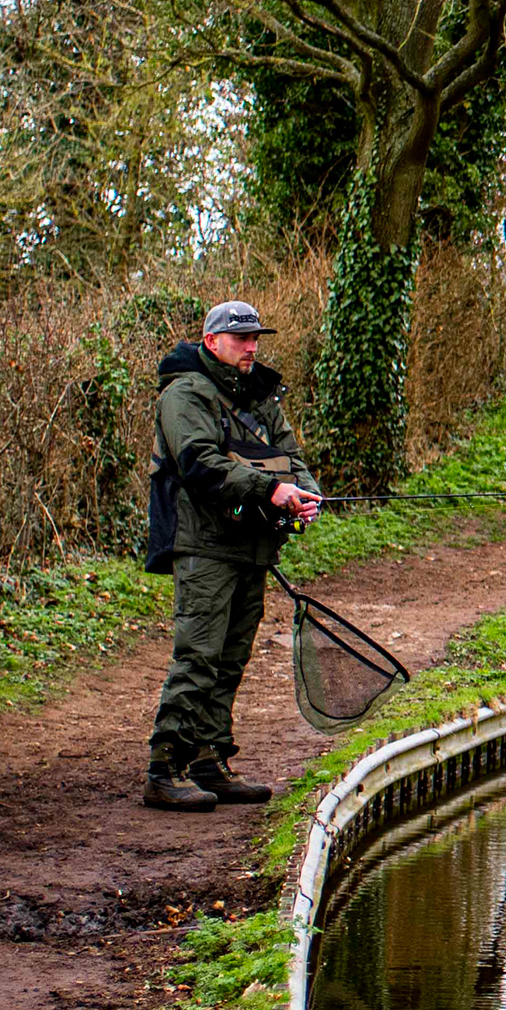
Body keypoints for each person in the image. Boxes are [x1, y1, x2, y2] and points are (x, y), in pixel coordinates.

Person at [143, 302, 321, 812]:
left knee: (230, 658)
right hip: (203, 544)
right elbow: (200, 464)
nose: (251, 346)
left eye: (255, 337)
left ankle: (208, 761)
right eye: (240, 338)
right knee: (198, 655)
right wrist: (271, 490)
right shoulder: (184, 393)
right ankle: (163, 770)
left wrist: (304, 495)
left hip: (252, 544)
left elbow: (292, 458)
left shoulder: (261, 394)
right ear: (210, 339)